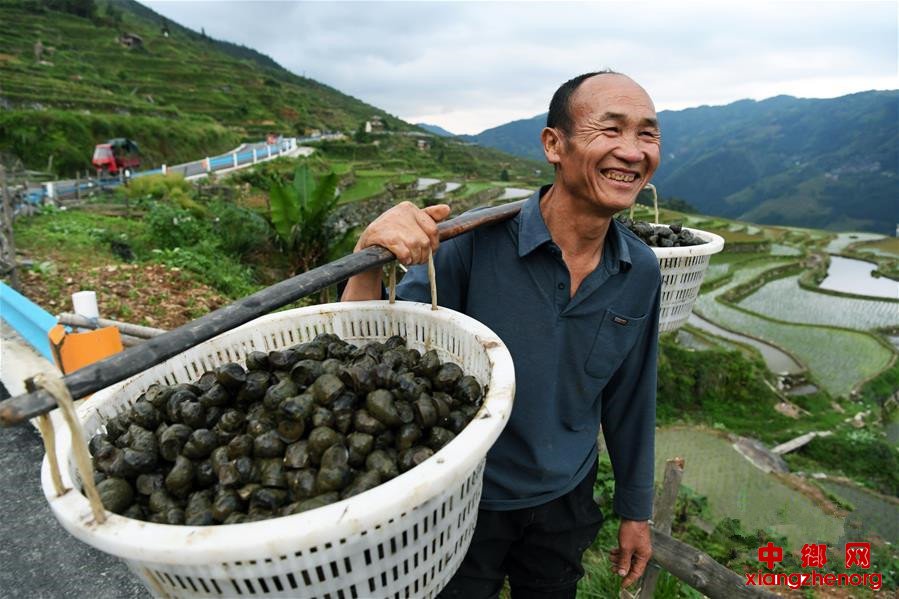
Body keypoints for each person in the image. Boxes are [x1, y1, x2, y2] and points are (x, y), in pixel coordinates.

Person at [342, 70, 662, 598]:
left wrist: (635, 510)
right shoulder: (471, 247)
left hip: (566, 498)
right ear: (554, 145)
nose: (632, 151)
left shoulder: (640, 269)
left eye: (647, 134)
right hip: (464, 499)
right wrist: (368, 257)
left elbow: (631, 396)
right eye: (610, 130)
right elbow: (365, 360)